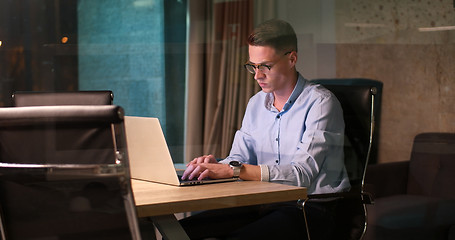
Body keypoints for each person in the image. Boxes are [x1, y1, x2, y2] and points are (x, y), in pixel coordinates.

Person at [180, 19, 350, 240]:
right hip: (260, 201)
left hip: (310, 208)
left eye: (265, 66)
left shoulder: (321, 103)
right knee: (179, 233)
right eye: (253, 66)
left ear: (292, 58)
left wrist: (233, 170)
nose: (257, 75)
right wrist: (217, 166)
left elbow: (302, 175)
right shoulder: (256, 103)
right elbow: (239, 158)